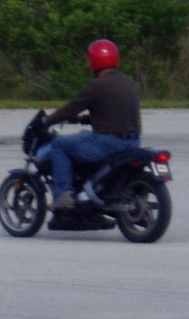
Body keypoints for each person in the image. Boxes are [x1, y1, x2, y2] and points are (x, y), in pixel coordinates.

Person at [33, 39, 141, 210]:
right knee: (83, 135)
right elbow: (114, 113)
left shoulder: (96, 86)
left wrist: (48, 121)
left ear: (93, 61)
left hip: (108, 144)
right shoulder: (129, 82)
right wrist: (84, 120)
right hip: (133, 143)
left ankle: (63, 195)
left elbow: (69, 109)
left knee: (60, 145)